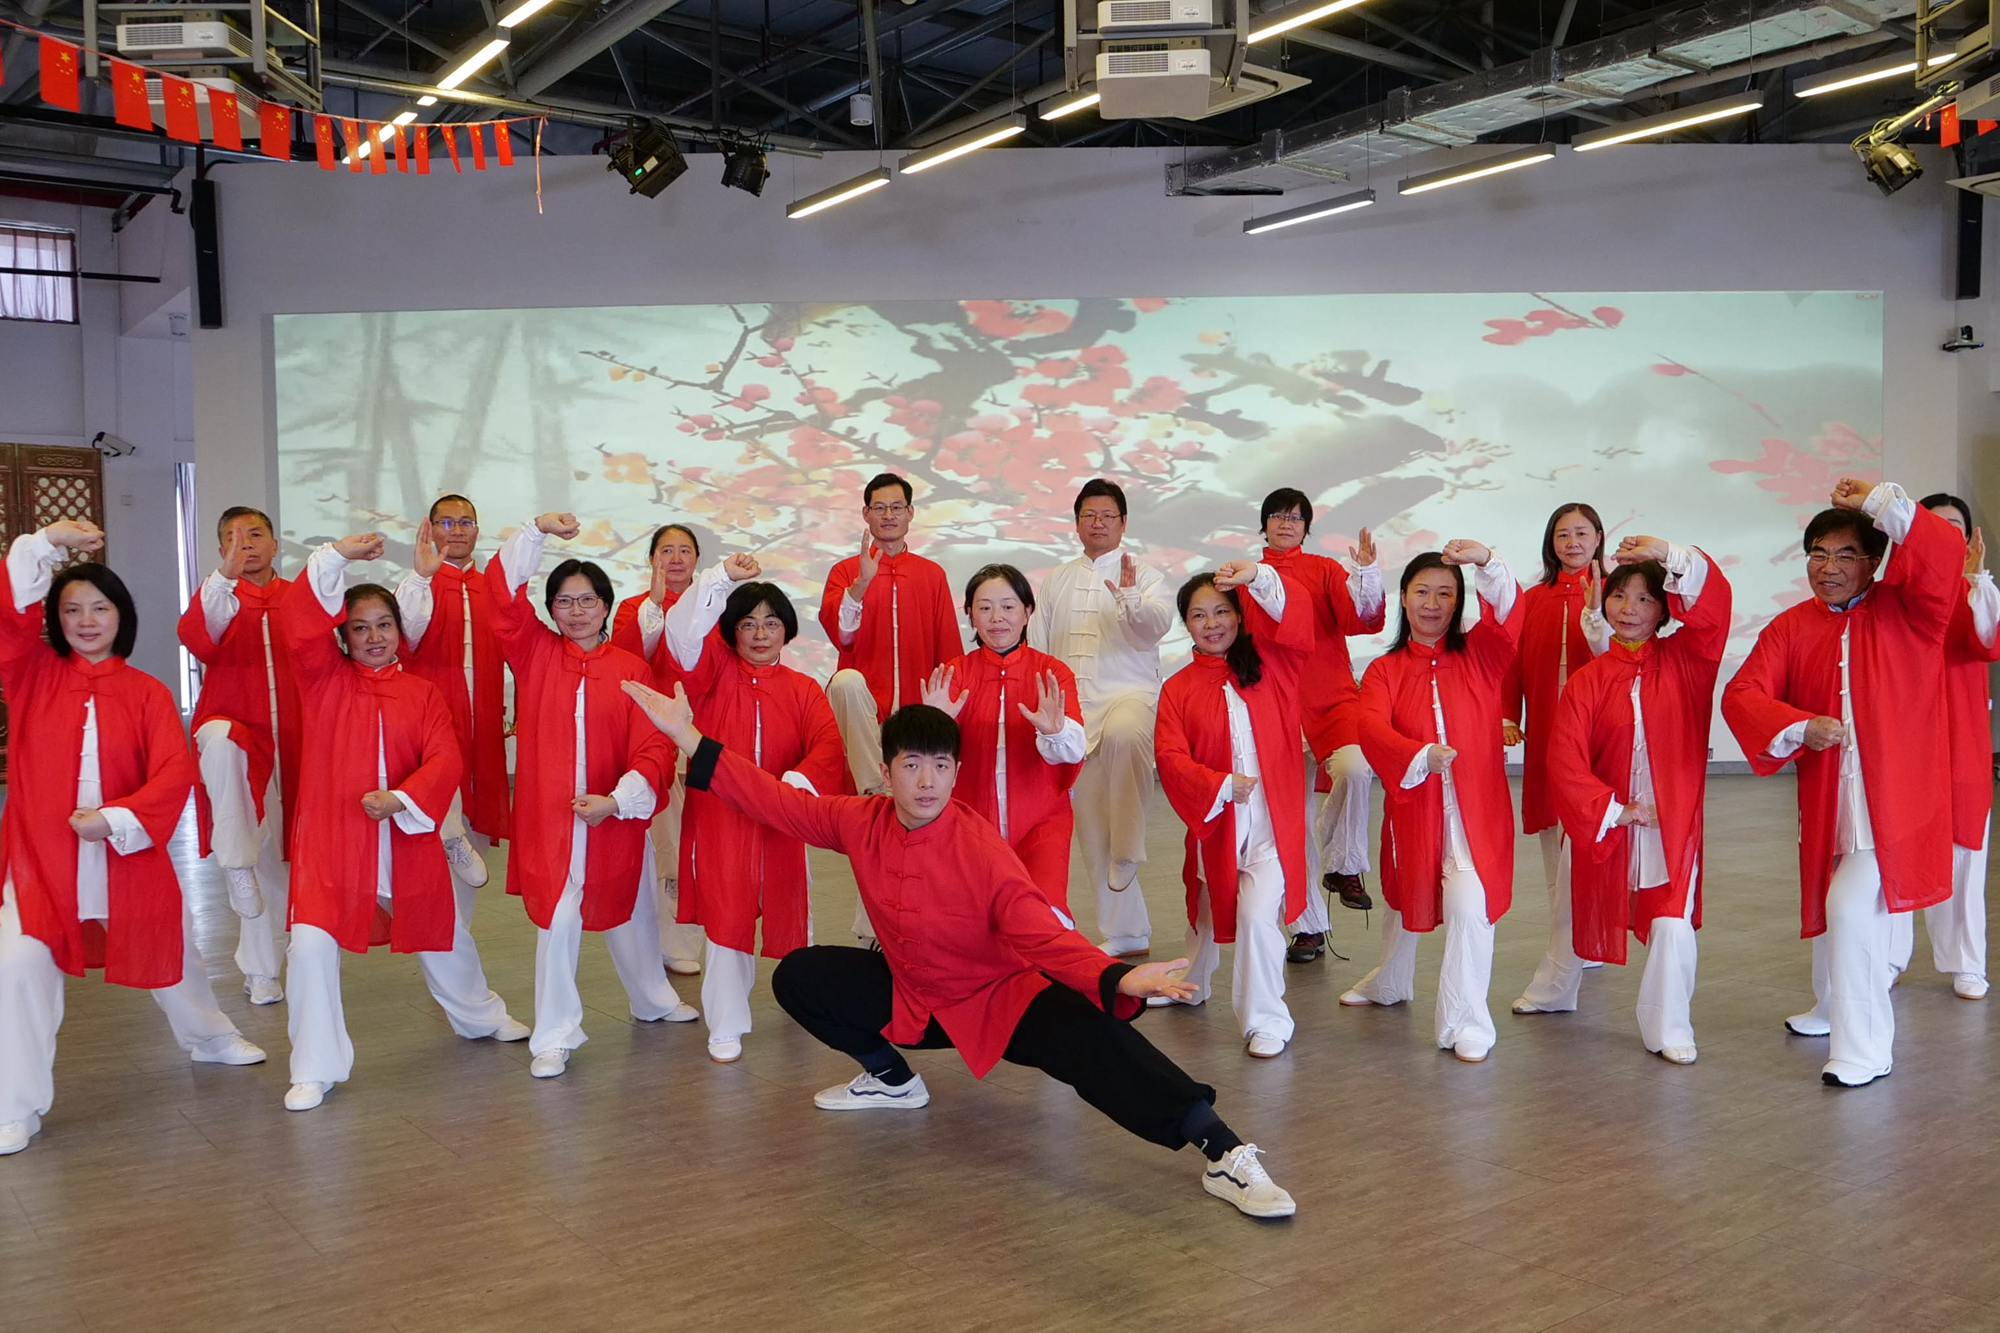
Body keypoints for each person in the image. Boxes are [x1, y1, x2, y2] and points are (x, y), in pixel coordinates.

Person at [622, 683, 1297, 1220]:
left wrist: (1116, 976)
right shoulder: (858, 819)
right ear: (886, 771)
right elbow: (773, 801)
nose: (927, 781)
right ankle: (890, 1078)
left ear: (956, 773)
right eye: (912, 765)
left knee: (1097, 1043)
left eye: (941, 766)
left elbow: (1041, 933)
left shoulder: (979, 847)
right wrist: (687, 736)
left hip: (1000, 998)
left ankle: (1224, 1152)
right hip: (916, 998)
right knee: (801, 976)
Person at [1, 521, 266, 1155]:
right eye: (72, 610)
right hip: (41, 860)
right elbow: (10, 612)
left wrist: (116, 820)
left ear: (122, 615)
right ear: (55, 619)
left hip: (126, 851)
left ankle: (209, 1037)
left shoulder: (147, 692)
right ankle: (15, 1104)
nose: (86, 621)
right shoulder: (31, 674)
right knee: (18, 965)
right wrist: (46, 541)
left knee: (170, 948)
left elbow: (173, 774)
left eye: (100, 608)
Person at [1721, 478, 1959, 1087]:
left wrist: (1879, 499)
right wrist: (1799, 725)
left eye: (1845, 554)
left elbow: (1941, 554)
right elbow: (1742, 693)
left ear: (1875, 562)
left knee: (1848, 908)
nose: (1828, 568)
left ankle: (1866, 1048)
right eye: (1818, 554)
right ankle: (1831, 1008)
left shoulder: (1913, 611)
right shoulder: (1791, 626)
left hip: (1898, 803)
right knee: (1841, 905)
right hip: (1832, 801)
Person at [281, 533, 529, 1113]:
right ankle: (314, 1066)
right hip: (334, 840)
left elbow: (445, 758)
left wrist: (402, 798)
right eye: (360, 628)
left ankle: (480, 1015)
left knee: (443, 932)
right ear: (342, 636)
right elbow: (298, 623)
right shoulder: (321, 678)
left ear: (399, 630)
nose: (374, 638)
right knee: (310, 945)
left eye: (384, 625)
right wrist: (336, 556)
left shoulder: (421, 693)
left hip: (405, 832)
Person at [481, 512, 698, 1080]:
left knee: (633, 912)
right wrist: (535, 530)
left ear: (606, 606)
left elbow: (654, 747)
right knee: (559, 921)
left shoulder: (630, 670)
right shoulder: (534, 652)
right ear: (550, 609)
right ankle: (554, 1034)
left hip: (614, 816)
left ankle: (653, 999)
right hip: (551, 821)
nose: (576, 611)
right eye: (564, 602)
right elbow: (501, 595)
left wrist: (619, 801)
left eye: (587, 601)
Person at [1547, 537, 1732, 1062]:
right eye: (1619, 596)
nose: (1628, 609)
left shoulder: (1690, 660)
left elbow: (1714, 609)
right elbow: (1564, 758)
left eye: (1645, 599)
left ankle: (1669, 1027)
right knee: (1572, 909)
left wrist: (1672, 554)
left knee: (1670, 923)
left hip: (1671, 828)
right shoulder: (1588, 680)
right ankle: (1552, 989)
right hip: (1609, 825)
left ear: (1665, 609)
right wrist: (1613, 810)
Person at [1343, 540, 1521, 1063]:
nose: (1433, 603)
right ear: (1403, 597)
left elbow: (1508, 614)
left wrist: (1487, 561)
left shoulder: (1481, 655)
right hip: (1415, 808)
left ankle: (1467, 1021)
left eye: (1445, 593)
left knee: (1468, 906)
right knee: (1408, 897)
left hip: (1474, 817)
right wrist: (1419, 755)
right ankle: (1390, 981)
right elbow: (1370, 726)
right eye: (1422, 591)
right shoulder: (1385, 669)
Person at [665, 550, 846, 1062]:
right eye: (748, 623)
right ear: (732, 632)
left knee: (794, 911)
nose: (760, 633)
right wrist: (720, 578)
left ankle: (806, 1000)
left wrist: (789, 789)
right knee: (728, 916)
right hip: (722, 815)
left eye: (771, 623)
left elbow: (827, 748)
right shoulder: (711, 673)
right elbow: (682, 634)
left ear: (787, 630)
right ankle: (725, 1023)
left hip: (784, 816)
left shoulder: (804, 689)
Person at [1154, 561, 1314, 1058]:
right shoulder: (1177, 688)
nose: (1212, 624)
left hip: (1270, 827)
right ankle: (1193, 980)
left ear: (1240, 615)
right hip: (1218, 821)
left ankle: (1266, 1019)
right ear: (1186, 623)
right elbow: (1169, 757)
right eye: (1199, 615)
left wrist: (1259, 577)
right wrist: (1219, 785)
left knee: (1255, 915)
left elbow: (1297, 618)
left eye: (1221, 611)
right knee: (1206, 905)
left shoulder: (1273, 665)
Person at [1029, 480, 1178, 958]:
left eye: (1107, 515)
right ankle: (1127, 932)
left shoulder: (1146, 575)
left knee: (1124, 733)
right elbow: (1038, 646)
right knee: (1091, 824)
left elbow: (1156, 625)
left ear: (1123, 523)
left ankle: (1130, 848)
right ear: (1076, 523)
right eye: (1088, 515)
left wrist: (1131, 599)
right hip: (1075, 712)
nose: (1097, 523)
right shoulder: (1057, 579)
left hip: (1130, 696)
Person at [177, 505, 301, 1006]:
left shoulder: (298, 598)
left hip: (297, 743)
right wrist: (223, 579)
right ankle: (233, 867)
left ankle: (272, 964)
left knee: (283, 859)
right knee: (249, 849)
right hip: (238, 739)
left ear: (275, 544)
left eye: (254, 534)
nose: (244, 544)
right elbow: (197, 637)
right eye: (232, 537)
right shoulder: (219, 599)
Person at [1255, 487, 1385, 961]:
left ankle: (1343, 862)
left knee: (1356, 768)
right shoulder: (1249, 576)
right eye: (1277, 516)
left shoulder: (1325, 569)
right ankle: (1307, 926)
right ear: (1264, 525)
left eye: (1295, 517)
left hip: (1332, 698)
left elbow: (1361, 620)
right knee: (1290, 821)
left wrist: (1366, 575)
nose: (1285, 524)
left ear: (1307, 528)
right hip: (1276, 708)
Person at [920, 565, 1086, 911]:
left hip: (1042, 821)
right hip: (970, 824)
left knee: (1044, 913)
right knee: (972, 913)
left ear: (1027, 612)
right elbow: (930, 759)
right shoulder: (953, 673)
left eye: (1008, 607)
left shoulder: (1052, 672)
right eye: (985, 608)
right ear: (970, 614)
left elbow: (1074, 752)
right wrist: (934, 723)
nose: (997, 618)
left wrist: (1054, 730)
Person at [1506, 502, 1613, 1015]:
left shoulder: (1617, 593)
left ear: (1598, 538)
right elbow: (1512, 665)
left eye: (1581, 533)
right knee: (1554, 834)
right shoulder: (1533, 599)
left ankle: (1586, 936)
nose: (1572, 543)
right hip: (1550, 728)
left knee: (1592, 833)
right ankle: (1567, 937)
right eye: (1563, 534)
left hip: (1600, 731)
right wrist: (1507, 715)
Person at [1899, 495, 1996, 1000]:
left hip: (1961, 743)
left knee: (1964, 852)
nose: (1942, 536)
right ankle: (1887, 956)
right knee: (1892, 851)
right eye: (1931, 527)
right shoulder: (1897, 593)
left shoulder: (1975, 593)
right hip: (1905, 743)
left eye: (1953, 528)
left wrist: (1977, 581)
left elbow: (1987, 641)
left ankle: (1966, 961)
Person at [393, 495, 510, 898]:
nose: (456, 530)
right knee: (437, 808)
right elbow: (406, 637)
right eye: (446, 522)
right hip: (434, 723)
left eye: (465, 522)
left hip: (483, 728)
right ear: (429, 529)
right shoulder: (417, 585)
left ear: (477, 530)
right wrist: (421, 578)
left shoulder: (492, 588)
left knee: (472, 848)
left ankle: (460, 921)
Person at [609, 521, 707, 976]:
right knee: (668, 843)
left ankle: (709, 929)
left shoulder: (715, 605)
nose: (675, 558)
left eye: (684, 550)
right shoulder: (635, 608)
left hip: (709, 733)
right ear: (652, 559)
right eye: (666, 550)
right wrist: (653, 604)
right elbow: (627, 663)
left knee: (706, 842)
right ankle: (672, 939)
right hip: (658, 736)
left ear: (697, 559)